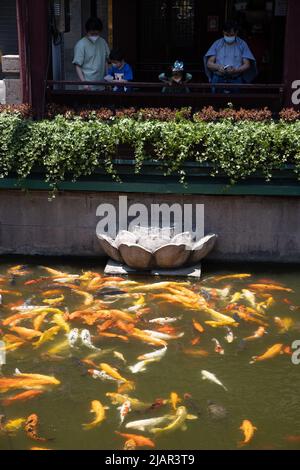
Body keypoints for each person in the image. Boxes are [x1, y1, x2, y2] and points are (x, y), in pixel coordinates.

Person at [204, 21, 257, 93]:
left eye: (231, 35)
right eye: (226, 35)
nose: (229, 37)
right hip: (218, 78)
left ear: (236, 33)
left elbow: (247, 64)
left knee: (236, 102)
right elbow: (209, 63)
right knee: (216, 101)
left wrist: (236, 70)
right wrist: (219, 67)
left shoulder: (242, 44)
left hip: (236, 79)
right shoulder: (217, 44)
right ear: (223, 32)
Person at [73, 17, 110, 90]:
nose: (94, 36)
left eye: (96, 33)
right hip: (87, 85)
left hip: (101, 84)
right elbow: (77, 65)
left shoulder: (103, 42)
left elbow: (107, 61)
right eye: (92, 34)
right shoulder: (81, 44)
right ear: (87, 31)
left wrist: (108, 78)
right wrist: (84, 83)